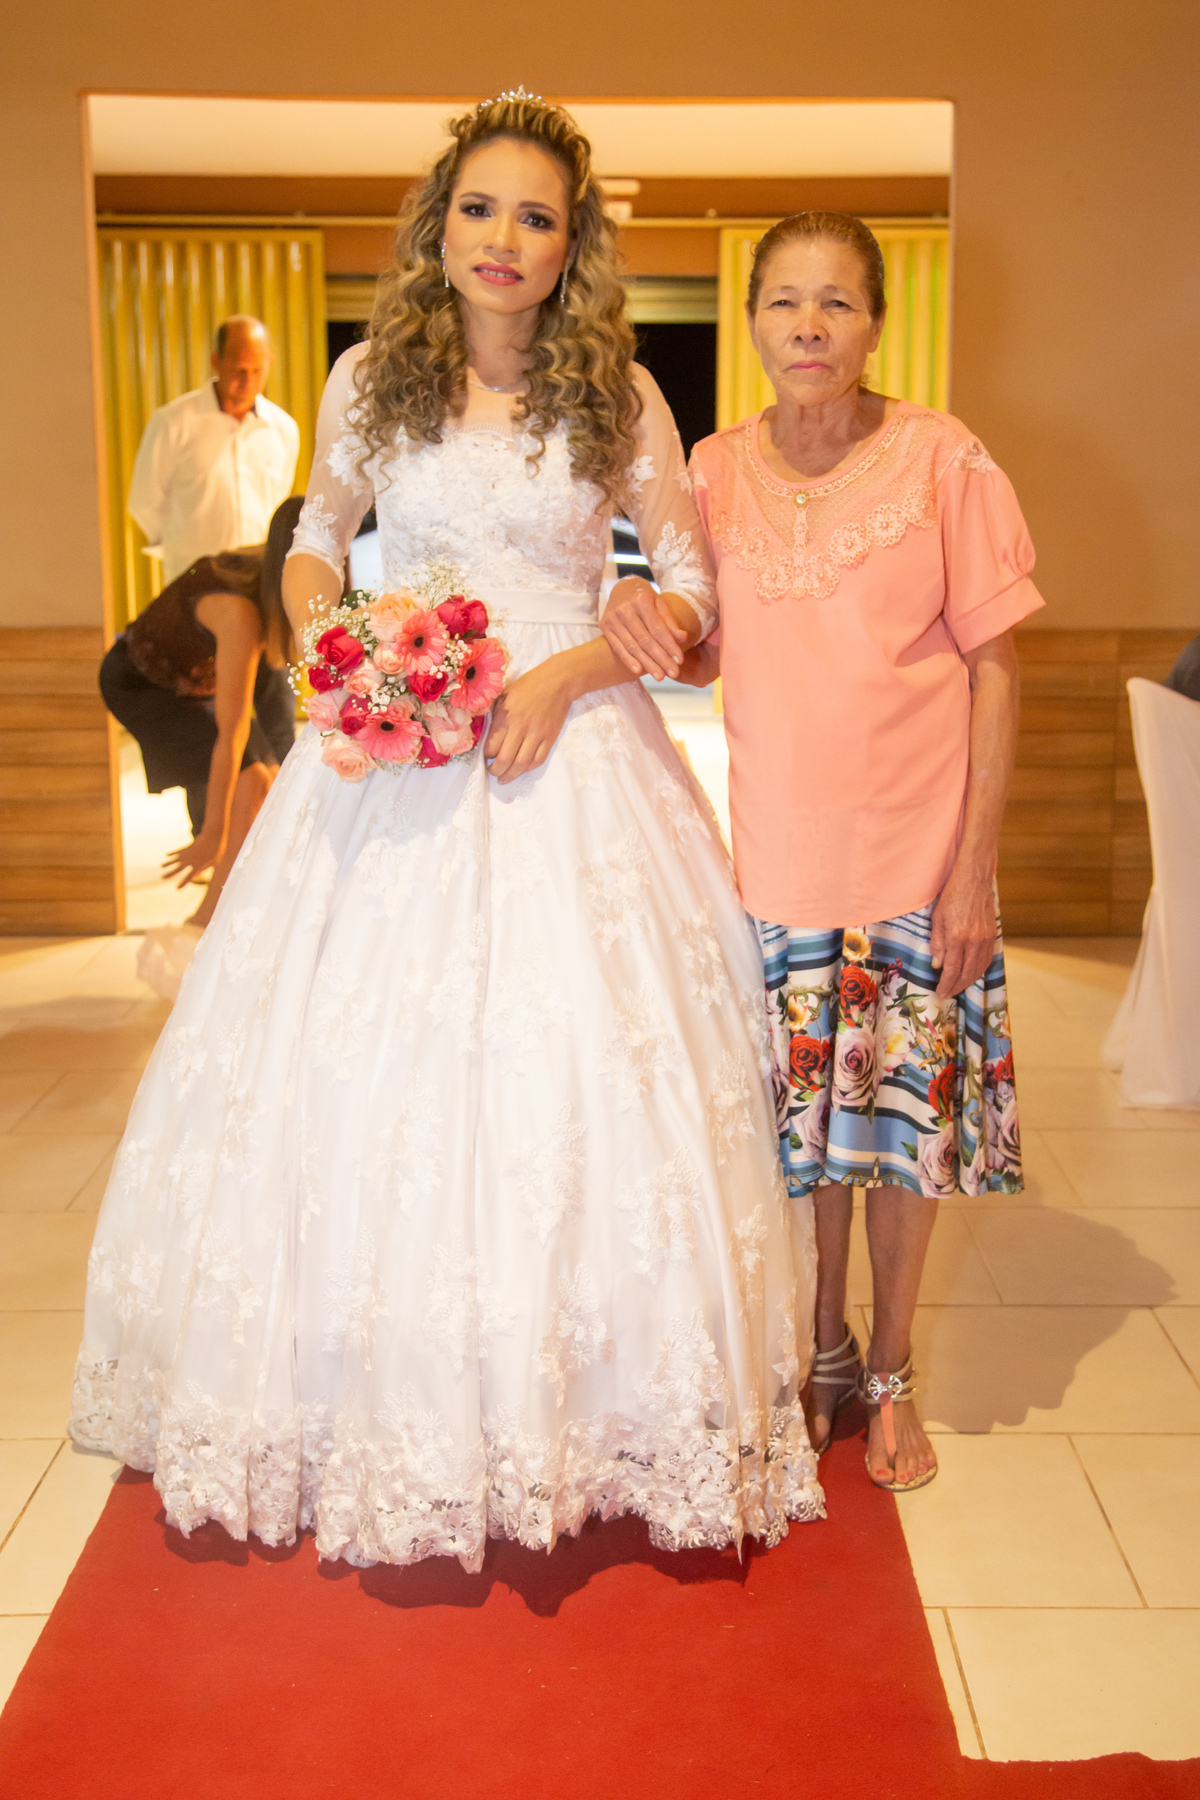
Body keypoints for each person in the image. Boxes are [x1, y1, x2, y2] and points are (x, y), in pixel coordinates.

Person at [70, 94, 823, 1569]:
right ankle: (365, 1395)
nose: (504, 240)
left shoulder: (618, 396)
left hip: (570, 754)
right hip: (391, 752)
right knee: (357, 1075)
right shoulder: (364, 382)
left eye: (537, 217)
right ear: (441, 221)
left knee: (578, 1079)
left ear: (572, 246)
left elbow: (687, 591)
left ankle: (580, 1406)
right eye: (482, 208)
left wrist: (576, 665)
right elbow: (311, 543)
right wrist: (333, 637)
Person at [601, 211, 1044, 1493]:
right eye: (784, 302)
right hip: (774, 869)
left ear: (876, 322)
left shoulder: (945, 460)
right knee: (801, 1143)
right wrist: (637, 610)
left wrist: (973, 869)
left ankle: (893, 1372)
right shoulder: (714, 472)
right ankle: (820, 1348)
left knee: (902, 1139)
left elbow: (999, 669)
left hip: (916, 860)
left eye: (836, 303)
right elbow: (700, 644)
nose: (808, 325)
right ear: (750, 321)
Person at [99, 497, 301, 934]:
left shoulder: (266, 578)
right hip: (141, 683)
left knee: (265, 782)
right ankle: (204, 927)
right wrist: (211, 832)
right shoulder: (238, 612)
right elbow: (230, 733)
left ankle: (222, 918)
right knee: (251, 782)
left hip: (195, 677)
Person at [129, 316, 300, 584]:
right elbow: (144, 502)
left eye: (258, 370)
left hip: (258, 577)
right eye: (239, 370)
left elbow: (278, 499)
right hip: (192, 578)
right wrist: (181, 547)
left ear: (271, 363)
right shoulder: (173, 423)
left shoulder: (284, 429)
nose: (248, 382)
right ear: (215, 361)